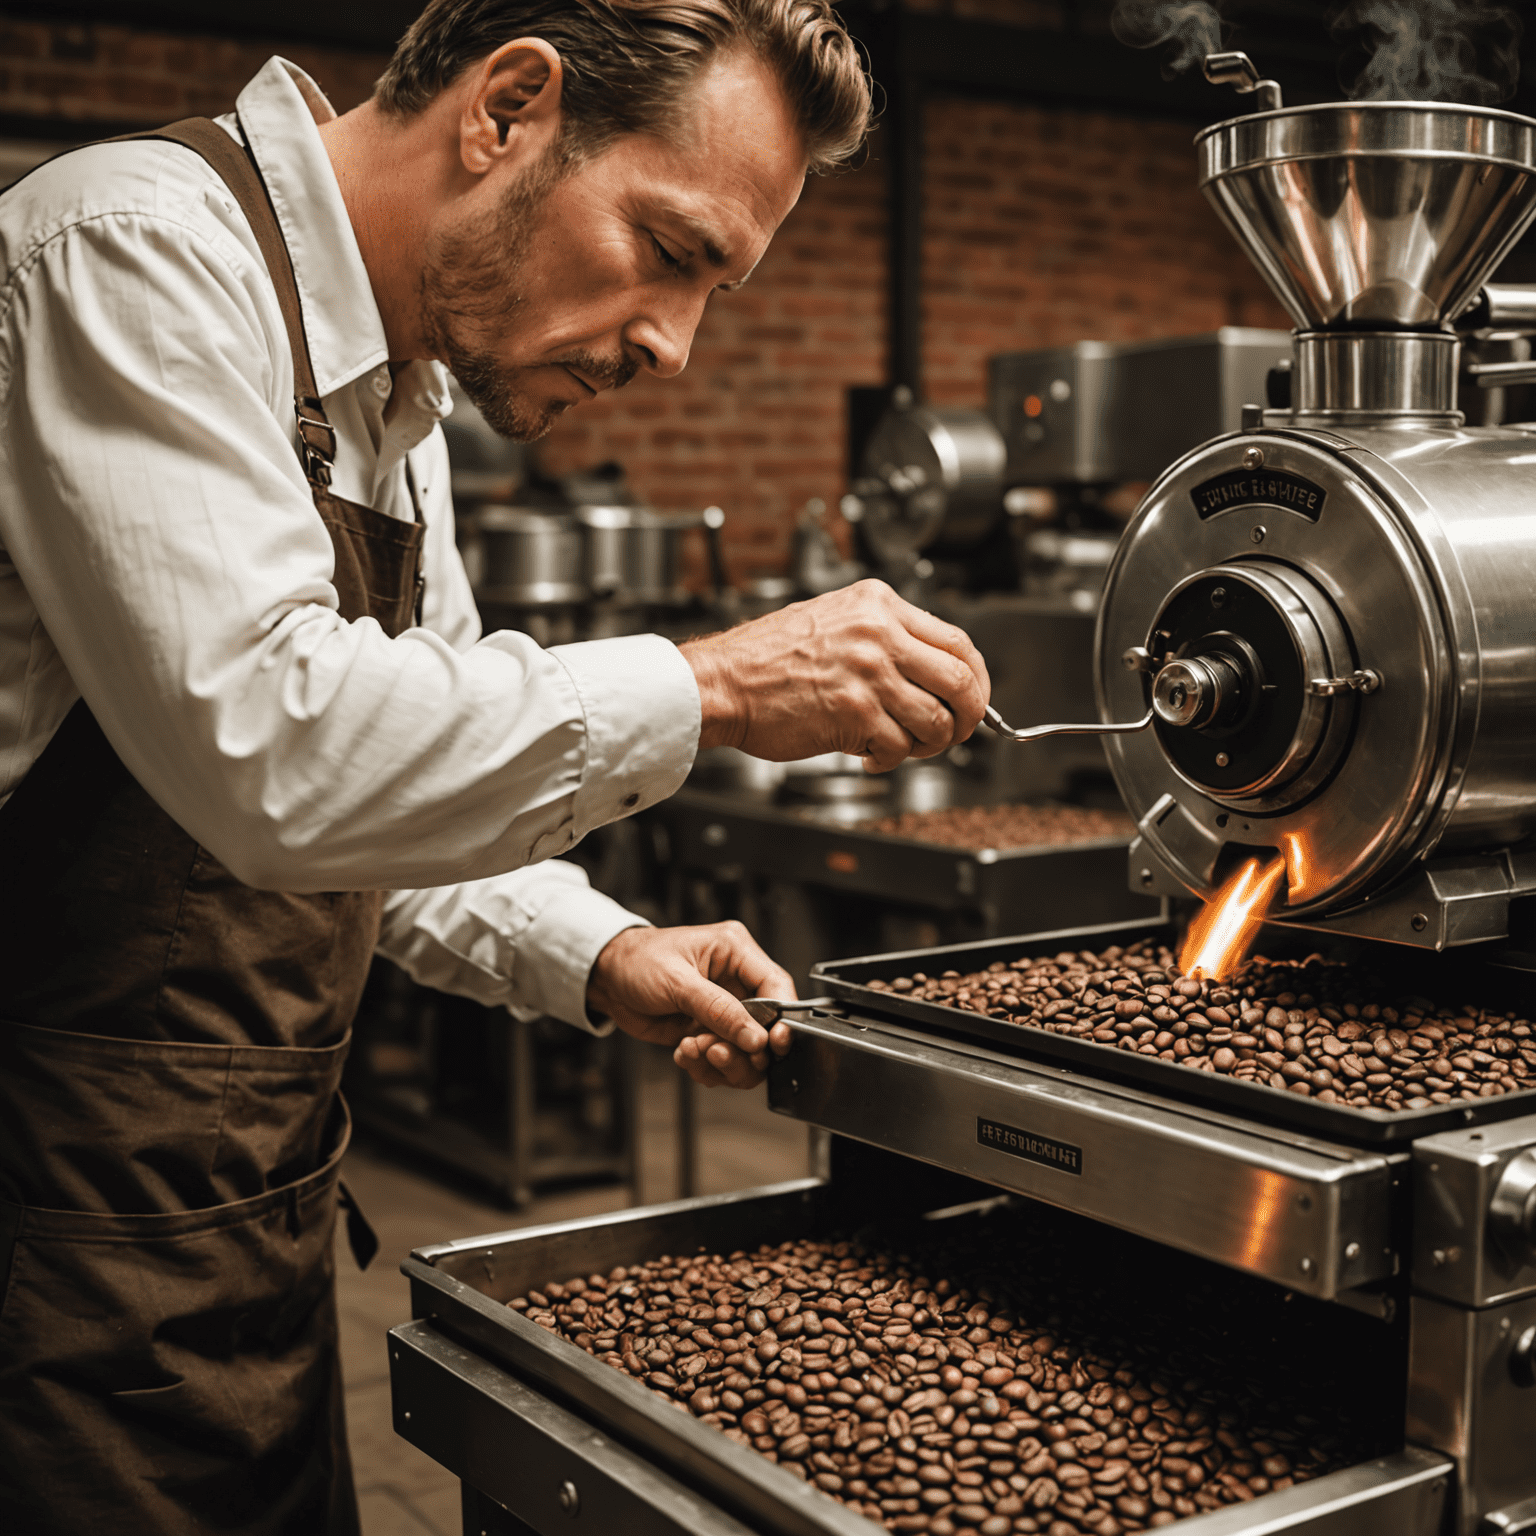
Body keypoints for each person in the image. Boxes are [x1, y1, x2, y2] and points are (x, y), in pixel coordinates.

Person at [0, 0, 990, 1530]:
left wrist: (606, 950)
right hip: (42, 1249)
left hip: (242, 1246)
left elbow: (387, 817)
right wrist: (722, 682)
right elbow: (276, 756)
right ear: (509, 108)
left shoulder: (409, 407)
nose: (673, 346)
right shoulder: (129, 254)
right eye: (671, 253)